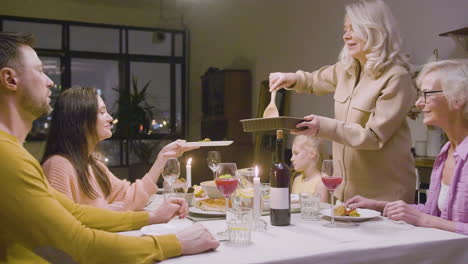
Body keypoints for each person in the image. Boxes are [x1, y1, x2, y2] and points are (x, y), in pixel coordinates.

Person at [0, 32, 219, 263]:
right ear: (10, 79)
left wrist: (151, 218)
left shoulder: (16, 154)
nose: (50, 80)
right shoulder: (8, 158)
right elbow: (77, 243)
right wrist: (177, 243)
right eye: (39, 70)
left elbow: (75, 214)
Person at [269, 0, 416, 203]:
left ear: (375, 30)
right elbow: (313, 81)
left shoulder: (397, 77)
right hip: (344, 195)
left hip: (384, 199)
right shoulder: (346, 69)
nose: (346, 36)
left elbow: (373, 137)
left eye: (353, 29)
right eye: (345, 29)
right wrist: (292, 78)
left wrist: (323, 127)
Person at [346, 59, 468, 235]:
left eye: (427, 94)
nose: (418, 103)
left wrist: (421, 220)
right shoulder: (446, 151)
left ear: (459, 99)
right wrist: (380, 206)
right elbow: (433, 213)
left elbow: (428, 219)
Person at [41, 86, 197, 211]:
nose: (109, 118)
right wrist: (107, 214)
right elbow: (63, 229)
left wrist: (162, 157)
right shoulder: (58, 165)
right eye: (102, 112)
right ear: (81, 121)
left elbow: (129, 197)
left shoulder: (93, 164)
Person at [290, 135, 328, 202]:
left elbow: (321, 211)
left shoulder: (321, 183)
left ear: (312, 154)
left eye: (296, 153)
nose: (291, 159)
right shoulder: (296, 180)